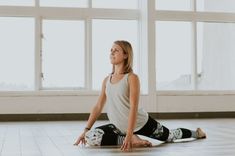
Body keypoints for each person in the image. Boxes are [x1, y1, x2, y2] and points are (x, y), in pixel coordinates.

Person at [74, 40, 206, 151]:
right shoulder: (106, 80)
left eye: (116, 50)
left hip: (141, 123)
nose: (111, 52)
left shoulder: (131, 78)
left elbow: (133, 107)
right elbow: (98, 107)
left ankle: (197, 133)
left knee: (169, 136)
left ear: (126, 55)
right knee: (90, 137)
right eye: (111, 50)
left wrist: (130, 132)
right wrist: (86, 130)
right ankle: (132, 140)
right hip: (118, 127)